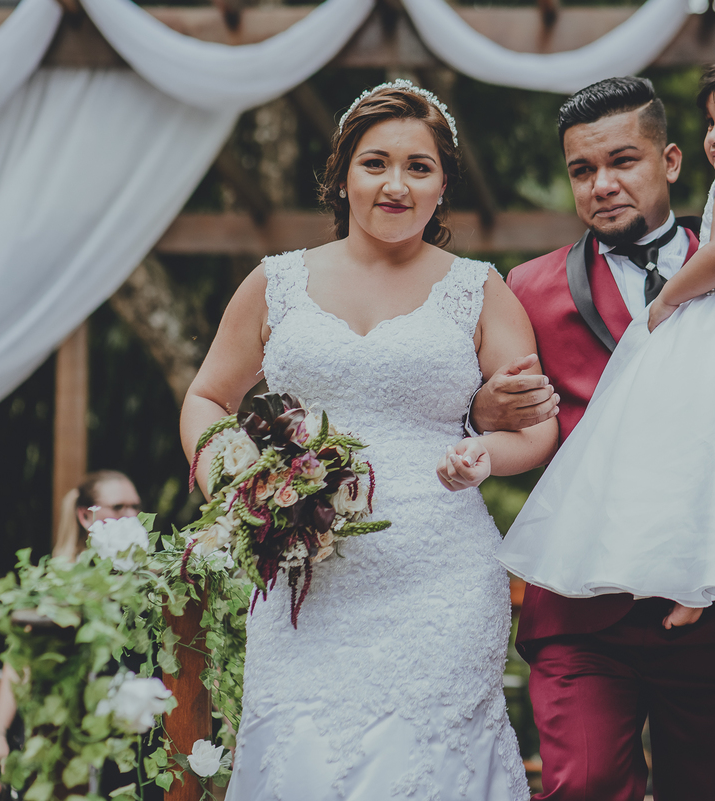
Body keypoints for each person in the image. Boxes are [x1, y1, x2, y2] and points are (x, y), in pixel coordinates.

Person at [181, 80, 556, 800]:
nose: (396, 183)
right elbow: (207, 398)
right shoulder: (276, 283)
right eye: (375, 162)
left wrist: (487, 455)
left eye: (419, 167)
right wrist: (240, 489)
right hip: (306, 581)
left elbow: (536, 423)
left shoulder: (480, 290)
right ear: (341, 174)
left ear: (444, 185)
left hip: (439, 579)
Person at [469, 74, 715, 801]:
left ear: (673, 162)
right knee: (583, 783)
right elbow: (477, 417)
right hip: (581, 612)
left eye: (622, 161)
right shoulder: (524, 289)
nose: (601, 184)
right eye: (582, 170)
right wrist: (485, 407)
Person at [0, 471, 142, 794]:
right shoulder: (56, 579)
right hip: (69, 734)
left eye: (135, 507)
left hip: (132, 738)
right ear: (85, 515)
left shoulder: (147, 578)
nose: (131, 516)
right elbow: (20, 660)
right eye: (118, 506)